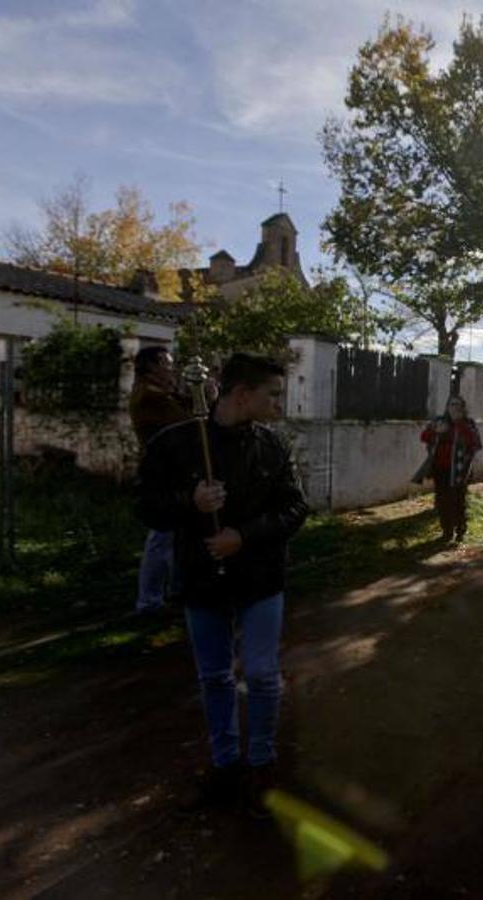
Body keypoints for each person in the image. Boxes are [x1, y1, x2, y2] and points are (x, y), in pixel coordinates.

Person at [138, 352, 309, 817]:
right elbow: (147, 507)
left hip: (260, 579)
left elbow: (295, 510)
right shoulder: (176, 443)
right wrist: (189, 502)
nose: (280, 402)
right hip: (201, 580)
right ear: (241, 394)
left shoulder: (273, 447)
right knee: (214, 676)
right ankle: (225, 762)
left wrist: (244, 536)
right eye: (273, 394)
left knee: (260, 674)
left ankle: (261, 759)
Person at [128, 346, 189, 616]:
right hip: (162, 473)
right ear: (151, 367)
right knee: (162, 536)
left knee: (177, 534)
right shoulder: (150, 397)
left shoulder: (157, 394)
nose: (171, 369)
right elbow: (186, 423)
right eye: (166, 364)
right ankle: (149, 601)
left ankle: (176, 589)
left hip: (172, 470)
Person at [419, 395, 482, 542]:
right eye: (452, 404)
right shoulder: (439, 421)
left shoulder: (468, 423)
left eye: (458, 405)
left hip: (460, 470)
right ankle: (447, 531)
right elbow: (424, 437)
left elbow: (476, 443)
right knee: (442, 501)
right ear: (447, 407)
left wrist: (459, 424)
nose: (455, 407)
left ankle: (460, 528)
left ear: (463, 407)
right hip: (440, 469)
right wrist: (435, 431)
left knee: (458, 500)